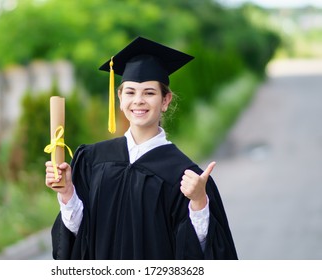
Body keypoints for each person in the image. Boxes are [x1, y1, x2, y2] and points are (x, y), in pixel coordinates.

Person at [45, 36, 238, 260]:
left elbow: (202, 254)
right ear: (120, 97)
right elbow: (81, 239)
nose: (138, 100)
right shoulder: (93, 160)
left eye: (149, 93)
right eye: (130, 92)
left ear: (165, 100)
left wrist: (198, 202)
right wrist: (68, 193)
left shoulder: (183, 174)